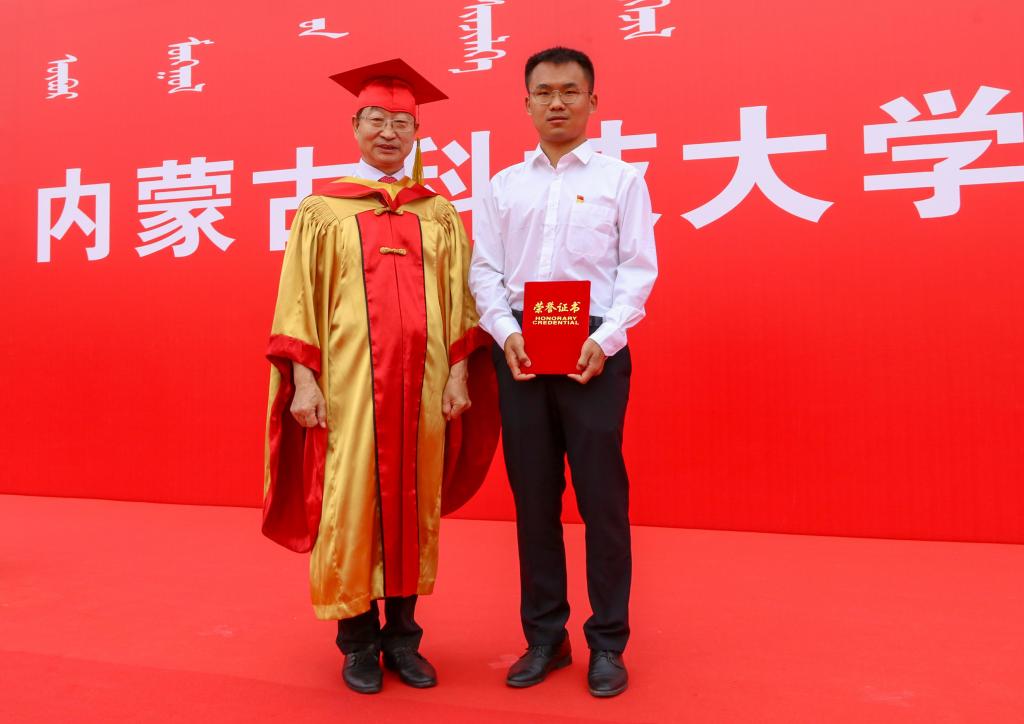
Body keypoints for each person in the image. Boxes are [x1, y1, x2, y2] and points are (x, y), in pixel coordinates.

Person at [261, 59, 497, 695]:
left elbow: (462, 299)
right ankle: (358, 641)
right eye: (376, 120)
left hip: (424, 389)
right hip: (348, 390)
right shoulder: (322, 211)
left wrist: (458, 374)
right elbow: (297, 300)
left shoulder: (438, 214)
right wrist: (304, 381)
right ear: (355, 126)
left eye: (402, 123)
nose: (389, 132)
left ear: (417, 133)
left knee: (413, 503)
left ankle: (404, 638)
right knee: (352, 503)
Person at [469, 46, 658, 698]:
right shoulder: (503, 186)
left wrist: (605, 339)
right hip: (521, 349)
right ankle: (545, 637)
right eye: (544, 92)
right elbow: (485, 272)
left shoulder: (622, 181)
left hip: (593, 350)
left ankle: (608, 642)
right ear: (526, 104)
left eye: (570, 91)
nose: (557, 102)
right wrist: (506, 333)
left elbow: (638, 271)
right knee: (534, 500)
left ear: (592, 102)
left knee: (602, 501)